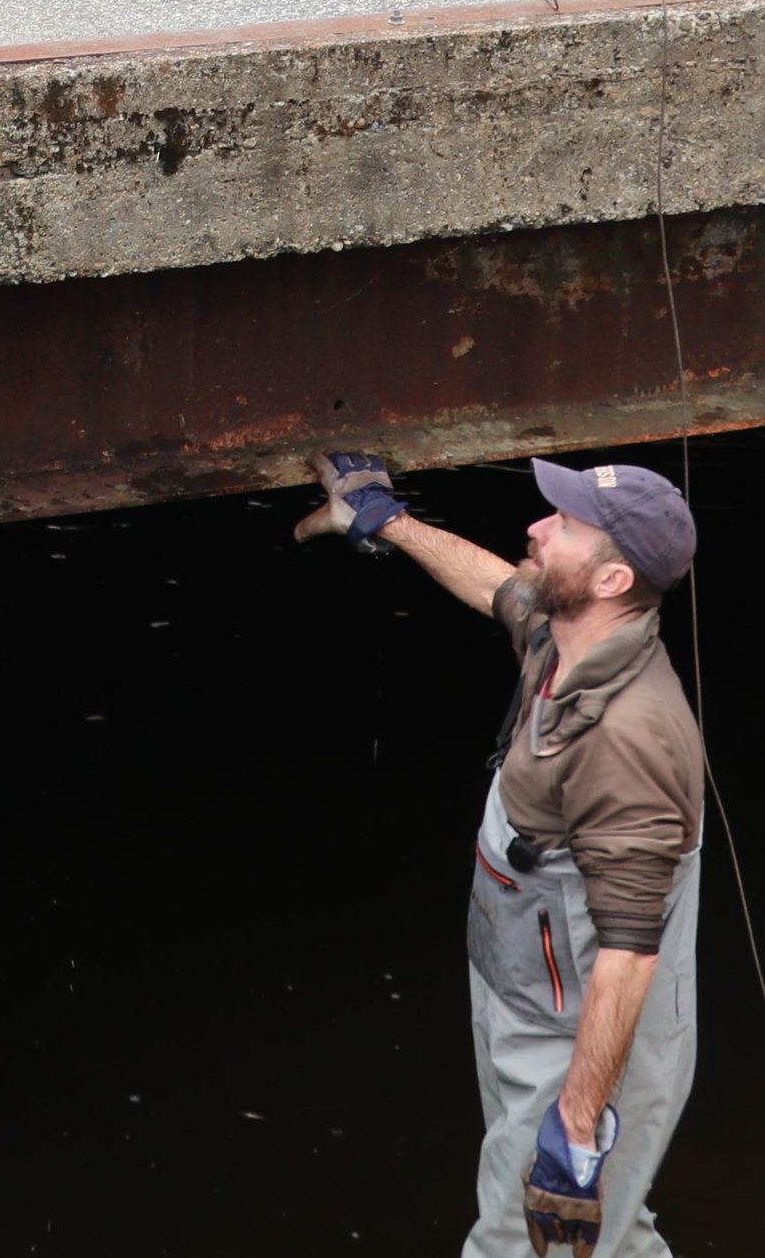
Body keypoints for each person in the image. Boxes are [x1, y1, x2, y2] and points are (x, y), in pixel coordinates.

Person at [298, 450, 703, 1256]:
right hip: (530, 985)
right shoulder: (570, 636)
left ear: (612, 581)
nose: (536, 526)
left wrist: (577, 1130)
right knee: (613, 1240)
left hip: (584, 1034)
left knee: (523, 1238)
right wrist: (384, 518)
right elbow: (497, 585)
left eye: (564, 524)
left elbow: (628, 955)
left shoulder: (627, 741)